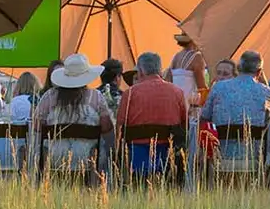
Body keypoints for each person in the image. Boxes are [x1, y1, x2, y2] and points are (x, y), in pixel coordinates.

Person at [30, 55, 113, 183]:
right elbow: (107, 128)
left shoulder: (49, 97)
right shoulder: (96, 97)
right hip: (87, 159)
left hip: (54, 159)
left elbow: (36, 127)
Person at [117, 51, 191, 181]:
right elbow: (185, 124)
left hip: (136, 155)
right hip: (167, 155)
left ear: (140, 71)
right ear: (160, 70)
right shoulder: (177, 92)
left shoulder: (130, 94)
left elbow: (119, 126)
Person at [202, 50, 270, 174]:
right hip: (252, 157)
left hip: (221, 156)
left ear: (239, 67)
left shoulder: (218, 87)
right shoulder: (267, 93)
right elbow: (266, 124)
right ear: (259, 72)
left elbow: (205, 117)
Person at [171, 32, 210, 102]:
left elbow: (169, 81)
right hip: (188, 103)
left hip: (175, 101)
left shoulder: (176, 56)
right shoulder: (197, 57)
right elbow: (201, 88)